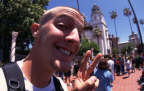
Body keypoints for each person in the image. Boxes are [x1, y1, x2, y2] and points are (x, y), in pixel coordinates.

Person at [0, 6, 102, 91]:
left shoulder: (61, 86)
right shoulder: (2, 81)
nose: (76, 39)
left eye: (80, 35)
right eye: (63, 26)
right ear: (36, 30)